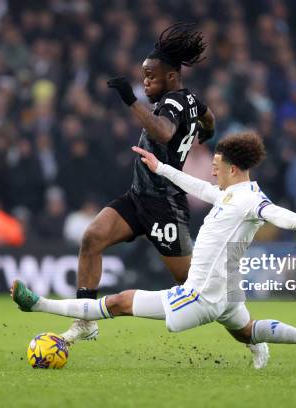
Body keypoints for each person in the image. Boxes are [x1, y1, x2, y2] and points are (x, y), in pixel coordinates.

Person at [12, 132, 296, 368]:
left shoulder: (251, 200)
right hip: (226, 293)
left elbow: (274, 213)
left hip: (201, 296)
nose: (213, 169)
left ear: (233, 169)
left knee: (119, 302)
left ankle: (37, 304)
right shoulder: (231, 193)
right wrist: (160, 167)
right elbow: (200, 187)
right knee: (247, 330)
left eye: (218, 166)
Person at [64, 23, 216, 342]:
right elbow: (209, 117)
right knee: (92, 238)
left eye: (151, 76)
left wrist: (130, 100)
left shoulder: (173, 102)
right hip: (137, 199)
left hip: (165, 206)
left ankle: (243, 325)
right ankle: (85, 320)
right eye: (143, 76)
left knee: (194, 287)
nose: (145, 82)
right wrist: (207, 131)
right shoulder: (189, 99)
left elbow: (163, 132)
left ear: (171, 76)